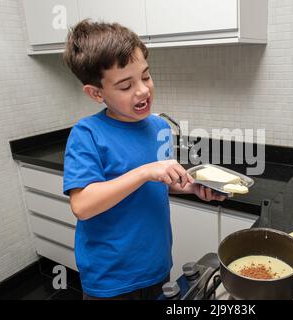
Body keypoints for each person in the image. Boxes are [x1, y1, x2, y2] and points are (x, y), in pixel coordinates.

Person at [62, 19, 225, 300]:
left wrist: (190, 186)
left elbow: (159, 181)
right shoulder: (87, 133)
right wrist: (146, 171)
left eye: (146, 77)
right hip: (111, 278)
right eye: (126, 86)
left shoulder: (159, 127)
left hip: (156, 266)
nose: (142, 90)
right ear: (96, 93)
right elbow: (83, 205)